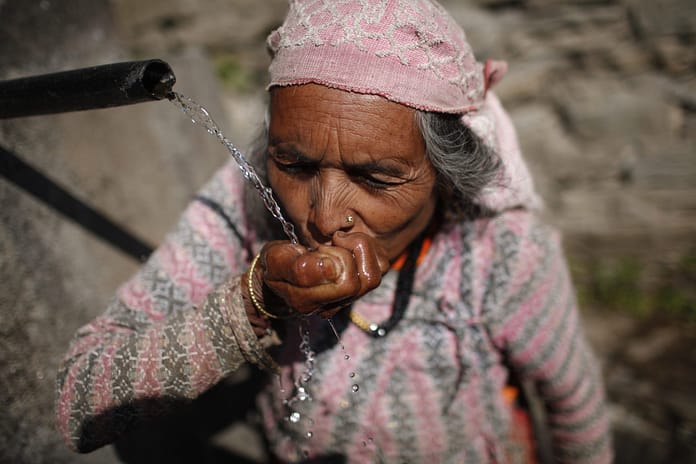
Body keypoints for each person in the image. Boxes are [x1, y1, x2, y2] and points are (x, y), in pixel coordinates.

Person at [55, 0, 612, 462]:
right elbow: (79, 404)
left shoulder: (500, 251)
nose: (323, 216)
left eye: (375, 177)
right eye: (295, 166)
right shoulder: (249, 201)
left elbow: (576, 408)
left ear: (445, 177)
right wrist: (256, 301)